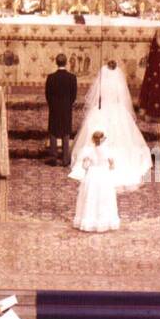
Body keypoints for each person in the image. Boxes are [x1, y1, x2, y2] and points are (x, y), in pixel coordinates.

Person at [70, 59, 152, 191]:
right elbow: (123, 99)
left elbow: (97, 97)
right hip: (117, 110)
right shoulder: (118, 82)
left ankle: (97, 160)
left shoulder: (102, 80)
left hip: (102, 110)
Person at [72, 130, 121, 233]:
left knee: (90, 197)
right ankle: (104, 221)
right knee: (103, 197)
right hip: (103, 175)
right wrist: (108, 166)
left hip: (92, 175)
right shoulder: (107, 151)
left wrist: (88, 164)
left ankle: (88, 221)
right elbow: (112, 165)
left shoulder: (89, 151)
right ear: (102, 140)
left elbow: (84, 166)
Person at [45, 52, 78, 166]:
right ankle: (65, 159)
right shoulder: (72, 78)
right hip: (66, 107)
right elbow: (74, 95)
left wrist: (52, 105)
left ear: (56, 62)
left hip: (54, 107)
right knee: (66, 131)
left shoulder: (51, 77)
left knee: (53, 130)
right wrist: (68, 104)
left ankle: (53, 157)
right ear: (67, 62)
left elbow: (47, 94)